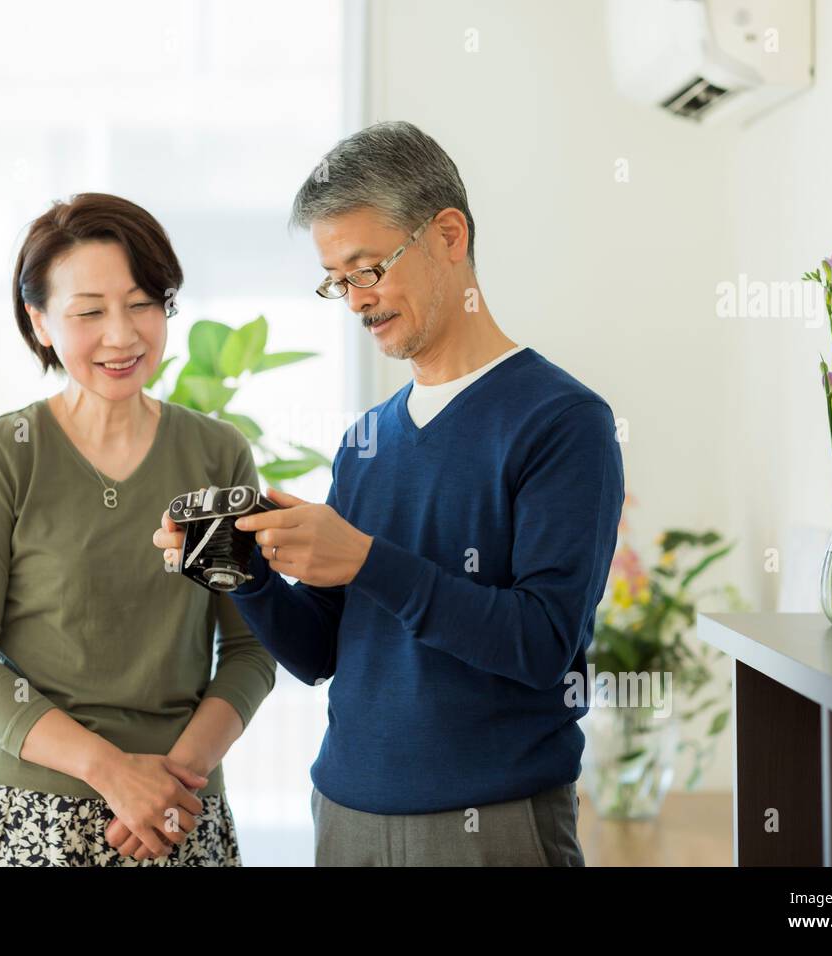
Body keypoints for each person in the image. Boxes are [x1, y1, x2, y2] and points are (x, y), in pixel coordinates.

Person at [154, 121, 624, 866]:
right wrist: (246, 572)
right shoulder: (367, 441)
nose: (354, 300)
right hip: (346, 816)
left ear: (447, 235)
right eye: (337, 280)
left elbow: (541, 646)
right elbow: (322, 652)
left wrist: (368, 559)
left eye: (367, 269)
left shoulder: (563, 422)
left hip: (489, 825)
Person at [0, 192, 276, 866]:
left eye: (143, 303)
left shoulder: (214, 454)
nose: (122, 335)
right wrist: (115, 775)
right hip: (27, 813)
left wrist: (168, 784)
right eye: (89, 312)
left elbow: (248, 650)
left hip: (178, 810)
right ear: (39, 322)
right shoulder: (7, 452)